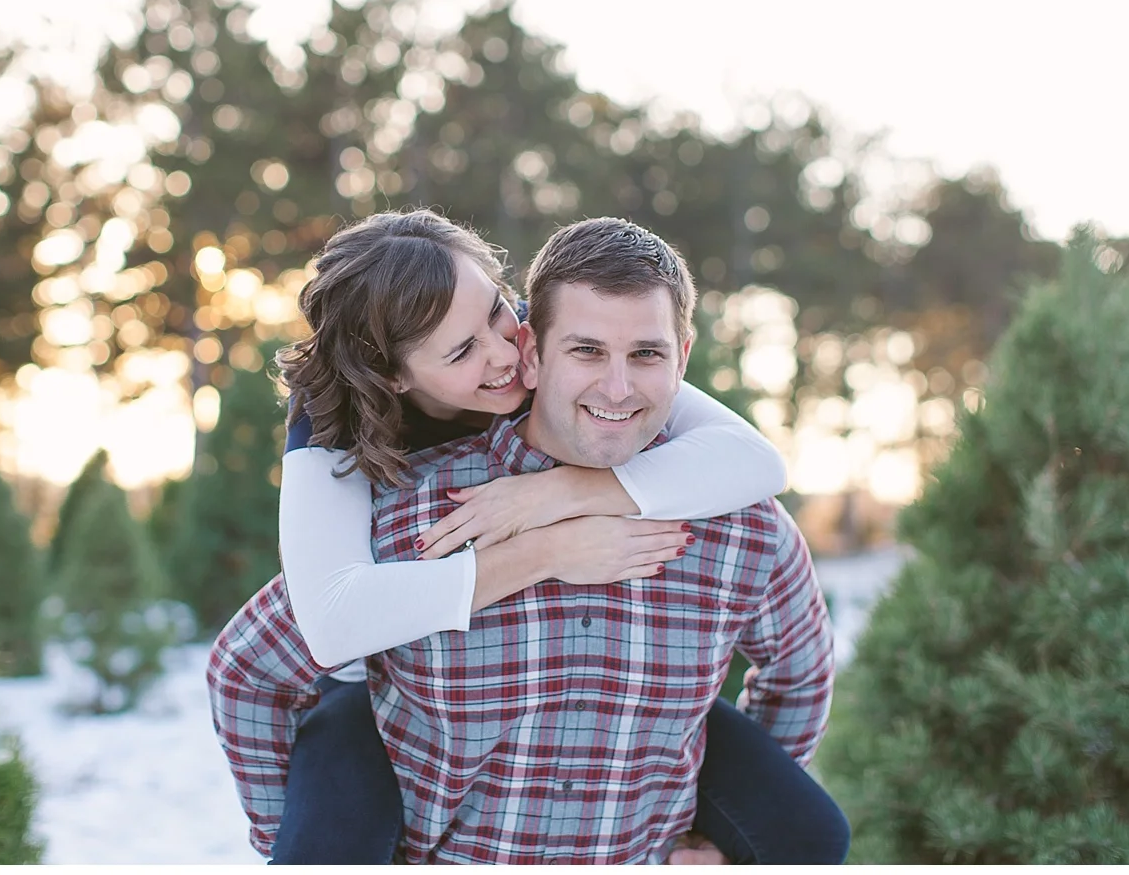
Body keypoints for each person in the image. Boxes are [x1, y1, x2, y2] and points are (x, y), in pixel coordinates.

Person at [209, 215, 849, 864]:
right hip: (379, 703)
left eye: (498, 316)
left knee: (816, 832)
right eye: (587, 351)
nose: (502, 353)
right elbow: (274, 654)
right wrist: (289, 836)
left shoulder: (737, 520)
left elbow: (797, 660)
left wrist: (721, 844)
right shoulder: (391, 499)